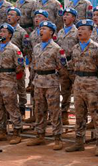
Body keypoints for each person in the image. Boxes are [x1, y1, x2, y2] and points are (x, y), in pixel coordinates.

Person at [65, 19, 98, 155]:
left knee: (96, 113)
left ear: (90, 31)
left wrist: (97, 82)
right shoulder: (75, 48)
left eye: (83, 29)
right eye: (79, 29)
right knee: (79, 114)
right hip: (78, 83)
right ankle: (79, 141)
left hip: (92, 82)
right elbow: (71, 67)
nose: (80, 31)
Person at [26, 21, 68, 150]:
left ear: (51, 32)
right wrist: (32, 81)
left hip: (51, 82)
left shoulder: (57, 49)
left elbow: (63, 68)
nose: (41, 31)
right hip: (38, 82)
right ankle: (40, 135)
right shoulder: (36, 47)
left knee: (54, 111)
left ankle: (57, 138)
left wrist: (58, 80)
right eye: (40, 29)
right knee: (39, 109)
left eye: (44, 29)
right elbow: (33, 66)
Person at [0, 23, 25, 145]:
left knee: (11, 107)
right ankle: (1, 131)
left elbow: (20, 66)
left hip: (8, 81)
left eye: (4, 32)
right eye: (1, 31)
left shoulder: (14, 49)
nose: (1, 34)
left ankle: (16, 132)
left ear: (10, 34)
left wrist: (11, 77)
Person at [23, 9, 50, 123]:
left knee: (47, 92)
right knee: (34, 90)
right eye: (35, 17)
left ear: (45, 19)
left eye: (39, 16)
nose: (36, 19)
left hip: (46, 66)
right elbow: (29, 49)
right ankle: (35, 114)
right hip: (34, 65)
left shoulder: (50, 32)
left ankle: (47, 115)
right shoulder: (33, 33)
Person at [56, 8, 79, 125]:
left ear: (74, 18)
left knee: (78, 93)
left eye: (68, 15)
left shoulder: (77, 32)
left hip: (74, 65)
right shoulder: (60, 32)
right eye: (64, 15)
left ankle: (80, 117)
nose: (65, 17)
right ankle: (64, 115)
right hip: (63, 66)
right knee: (64, 92)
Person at [7, 7, 28, 117]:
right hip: (6, 65)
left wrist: (20, 62)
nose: (9, 16)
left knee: (20, 88)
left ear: (18, 17)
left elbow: (26, 49)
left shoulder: (21, 32)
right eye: (8, 14)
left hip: (18, 65)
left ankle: (22, 109)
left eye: (12, 14)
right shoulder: (4, 31)